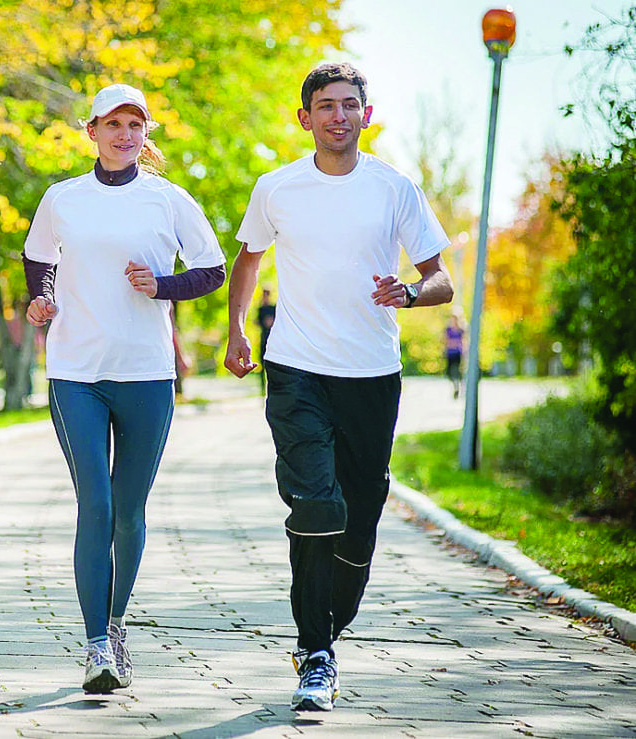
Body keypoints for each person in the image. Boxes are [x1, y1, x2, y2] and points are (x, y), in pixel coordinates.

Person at [223, 63, 454, 713]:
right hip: (296, 367)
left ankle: (334, 616)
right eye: (325, 105)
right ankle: (316, 651)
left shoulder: (394, 189)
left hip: (372, 375)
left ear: (367, 114)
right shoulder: (277, 188)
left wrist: (408, 292)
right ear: (305, 118)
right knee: (316, 506)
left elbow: (441, 280)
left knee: (359, 516)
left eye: (350, 104)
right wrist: (238, 330)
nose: (338, 115)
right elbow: (248, 257)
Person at [23, 83, 226, 694]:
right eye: (112, 123)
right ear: (91, 131)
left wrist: (161, 285)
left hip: (146, 373)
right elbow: (38, 260)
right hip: (76, 372)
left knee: (130, 511)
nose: (124, 134)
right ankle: (94, 649)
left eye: (134, 124)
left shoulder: (168, 199)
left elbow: (212, 269)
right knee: (98, 505)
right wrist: (41, 298)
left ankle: (114, 627)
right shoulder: (62, 198)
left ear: (146, 133)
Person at [254, 286, 276, 395]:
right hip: (263, 339)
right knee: (262, 366)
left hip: (273, 340)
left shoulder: (273, 308)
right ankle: (263, 390)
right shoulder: (260, 309)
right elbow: (258, 322)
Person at [445, 310, 465, 399]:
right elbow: (445, 340)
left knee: (457, 371)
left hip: (458, 353)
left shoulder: (461, 330)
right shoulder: (448, 330)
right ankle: (455, 385)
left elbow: (465, 341)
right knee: (449, 372)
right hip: (450, 352)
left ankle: (458, 387)